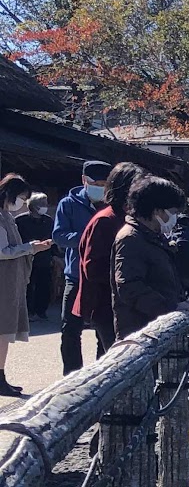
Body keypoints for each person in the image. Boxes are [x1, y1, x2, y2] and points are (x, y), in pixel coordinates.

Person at [112, 176, 189, 338]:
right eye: (173, 212)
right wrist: (170, 307)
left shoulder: (153, 236)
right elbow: (129, 287)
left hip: (158, 326)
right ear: (157, 211)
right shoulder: (130, 238)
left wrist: (180, 301)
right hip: (141, 331)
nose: (175, 218)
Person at [75, 162, 143, 355]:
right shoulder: (106, 220)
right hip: (105, 303)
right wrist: (127, 277)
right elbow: (93, 268)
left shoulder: (124, 217)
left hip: (120, 303)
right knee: (118, 359)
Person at [52, 159, 110, 373]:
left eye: (105, 184)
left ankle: (102, 374)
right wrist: (88, 237)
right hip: (75, 276)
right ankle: (72, 375)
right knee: (70, 329)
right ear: (84, 180)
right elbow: (59, 236)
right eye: (96, 184)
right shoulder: (68, 203)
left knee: (104, 330)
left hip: (104, 277)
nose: (101, 188)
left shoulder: (113, 204)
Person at [0, 176, 56, 394]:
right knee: (3, 330)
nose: (23, 203)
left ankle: (1, 376)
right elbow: (3, 252)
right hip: (4, 280)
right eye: (22, 198)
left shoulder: (8, 216)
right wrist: (30, 248)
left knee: (4, 331)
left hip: (11, 279)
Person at [20, 193, 55, 320]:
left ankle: (41, 311)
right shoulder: (20, 220)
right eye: (42, 204)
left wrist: (54, 255)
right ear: (34, 206)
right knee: (27, 286)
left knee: (44, 285)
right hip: (26, 257)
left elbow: (53, 237)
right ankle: (28, 312)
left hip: (44, 258)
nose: (45, 206)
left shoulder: (48, 220)